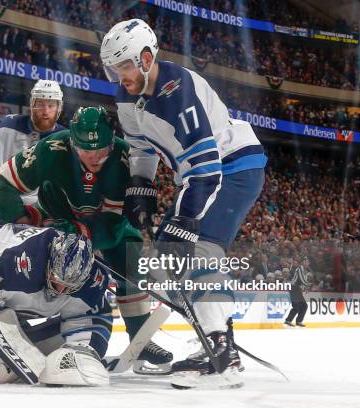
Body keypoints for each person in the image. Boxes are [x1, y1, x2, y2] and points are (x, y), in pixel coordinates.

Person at [100, 19, 267, 380]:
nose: (119, 75)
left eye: (124, 66)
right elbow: (142, 146)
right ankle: (219, 343)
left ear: (146, 58)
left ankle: (222, 346)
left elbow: (207, 172)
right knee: (175, 259)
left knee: (199, 251)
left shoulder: (179, 91)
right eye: (114, 68)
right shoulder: (128, 95)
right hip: (198, 176)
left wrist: (182, 222)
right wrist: (141, 185)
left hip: (233, 167)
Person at [0, 106, 173, 373]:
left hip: (105, 226)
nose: (95, 158)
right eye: (87, 150)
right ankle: (5, 322)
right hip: (55, 223)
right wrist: (21, 218)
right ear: (72, 142)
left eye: (102, 150)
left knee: (129, 258)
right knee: (31, 266)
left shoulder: (124, 157)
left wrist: (86, 238)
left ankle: (140, 337)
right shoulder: (50, 148)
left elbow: (115, 223)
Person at [0, 223, 111, 384]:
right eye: (57, 281)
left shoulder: (93, 279)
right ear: (49, 262)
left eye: (70, 286)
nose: (61, 290)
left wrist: (85, 353)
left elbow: (94, 319)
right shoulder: (13, 262)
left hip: (5, 291)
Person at [0, 79, 65, 201]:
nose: (46, 111)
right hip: (7, 208)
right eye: (40, 104)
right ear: (32, 104)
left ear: (59, 108)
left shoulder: (66, 139)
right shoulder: (9, 125)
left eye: (51, 105)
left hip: (46, 214)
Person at [285, 258, 313, 327]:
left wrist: (305, 287)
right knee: (296, 306)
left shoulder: (303, 270)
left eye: (308, 262)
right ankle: (288, 320)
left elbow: (302, 282)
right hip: (294, 289)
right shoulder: (299, 269)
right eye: (306, 262)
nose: (308, 263)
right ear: (303, 262)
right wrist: (309, 285)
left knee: (304, 306)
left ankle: (298, 321)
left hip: (297, 289)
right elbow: (303, 280)